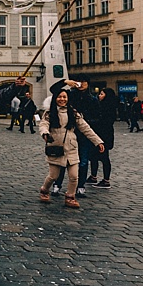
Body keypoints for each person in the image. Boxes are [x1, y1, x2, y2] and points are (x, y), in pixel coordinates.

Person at [39, 81, 104, 210]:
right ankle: (44, 190)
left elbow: (85, 128)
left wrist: (98, 141)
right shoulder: (50, 112)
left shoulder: (73, 113)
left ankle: (70, 196)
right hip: (56, 148)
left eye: (64, 97)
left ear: (68, 99)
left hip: (72, 148)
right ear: (55, 98)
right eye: (59, 97)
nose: (62, 99)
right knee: (53, 176)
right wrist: (45, 133)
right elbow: (43, 124)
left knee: (74, 176)